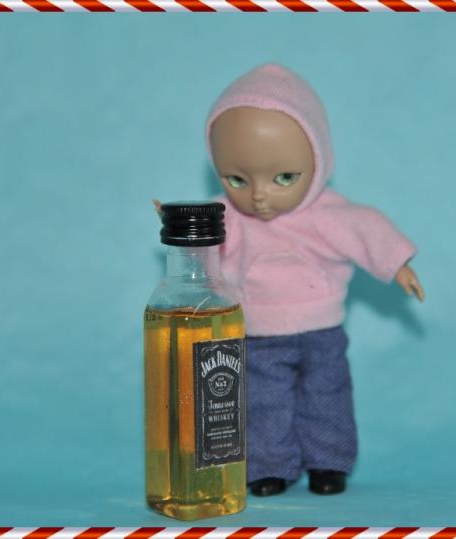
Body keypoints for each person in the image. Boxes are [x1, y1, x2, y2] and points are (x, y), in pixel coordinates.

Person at [157, 63, 424, 497]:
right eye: (238, 179)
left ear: (318, 163)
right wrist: (181, 227)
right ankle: (269, 465)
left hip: (322, 329)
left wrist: (397, 265)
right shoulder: (228, 216)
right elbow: (203, 244)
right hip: (256, 332)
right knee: (263, 402)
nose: (259, 196)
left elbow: (367, 230)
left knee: (327, 395)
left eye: (284, 177)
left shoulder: (329, 214)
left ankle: (328, 461)